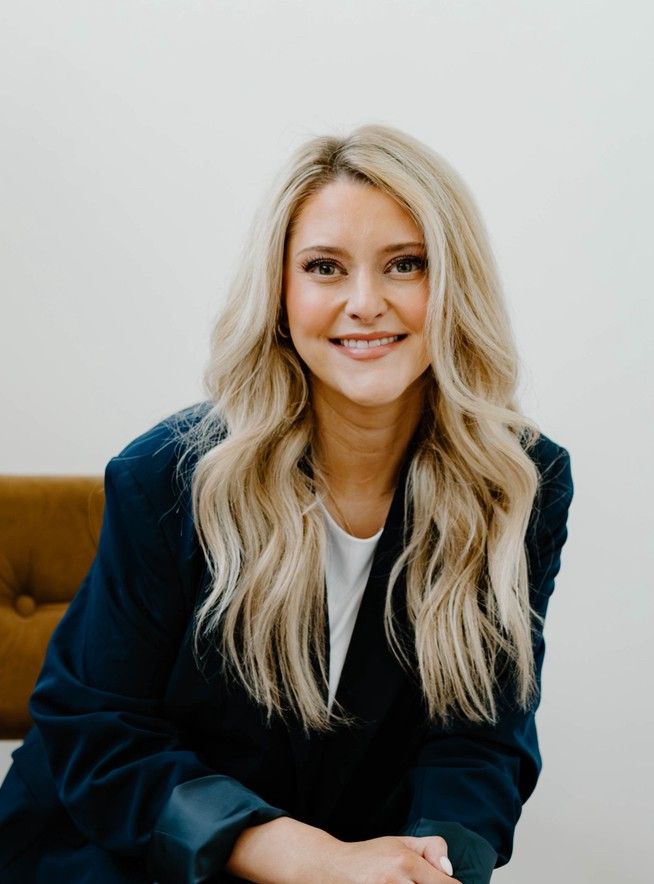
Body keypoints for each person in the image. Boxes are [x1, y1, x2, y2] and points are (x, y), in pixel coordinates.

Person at [0, 123, 574, 884]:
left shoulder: (518, 481)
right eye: (325, 268)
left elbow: (482, 734)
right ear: (280, 291)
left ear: (454, 284)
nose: (365, 303)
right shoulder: (167, 477)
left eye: (406, 264)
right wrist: (299, 856)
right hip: (118, 855)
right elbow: (98, 732)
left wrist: (436, 860)